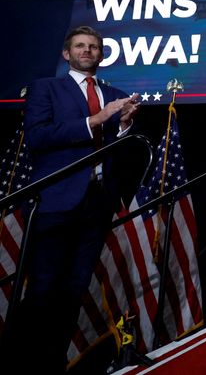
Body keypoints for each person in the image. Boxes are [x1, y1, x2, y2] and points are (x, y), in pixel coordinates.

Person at [9, 26, 140, 372]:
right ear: (67, 54)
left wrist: (124, 125)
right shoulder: (45, 88)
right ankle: (24, 364)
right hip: (55, 202)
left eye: (94, 47)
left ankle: (54, 364)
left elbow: (121, 154)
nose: (87, 50)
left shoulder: (116, 94)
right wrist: (96, 119)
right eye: (80, 46)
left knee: (74, 290)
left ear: (102, 54)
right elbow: (38, 137)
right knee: (43, 289)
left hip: (97, 205)